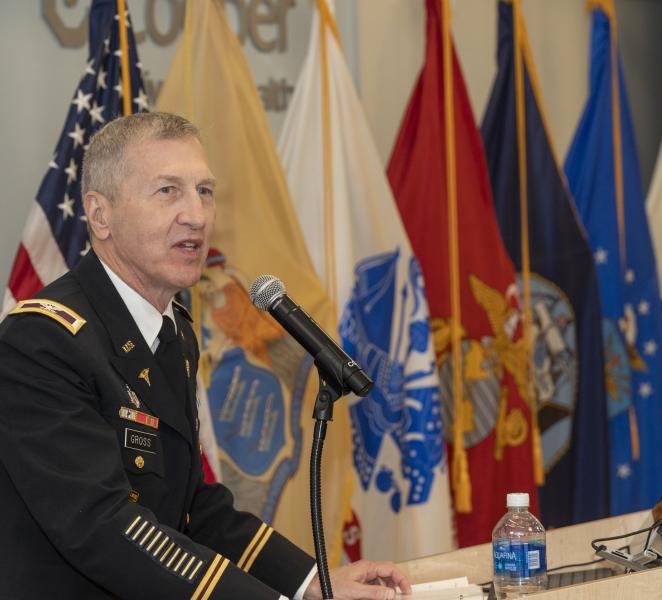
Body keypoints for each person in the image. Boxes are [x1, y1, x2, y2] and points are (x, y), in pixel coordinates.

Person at [0, 112, 412, 600]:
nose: (196, 215)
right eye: (168, 191)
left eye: (205, 191)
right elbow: (103, 526)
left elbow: (194, 504)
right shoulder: (40, 341)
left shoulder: (173, 332)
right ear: (100, 214)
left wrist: (310, 584)